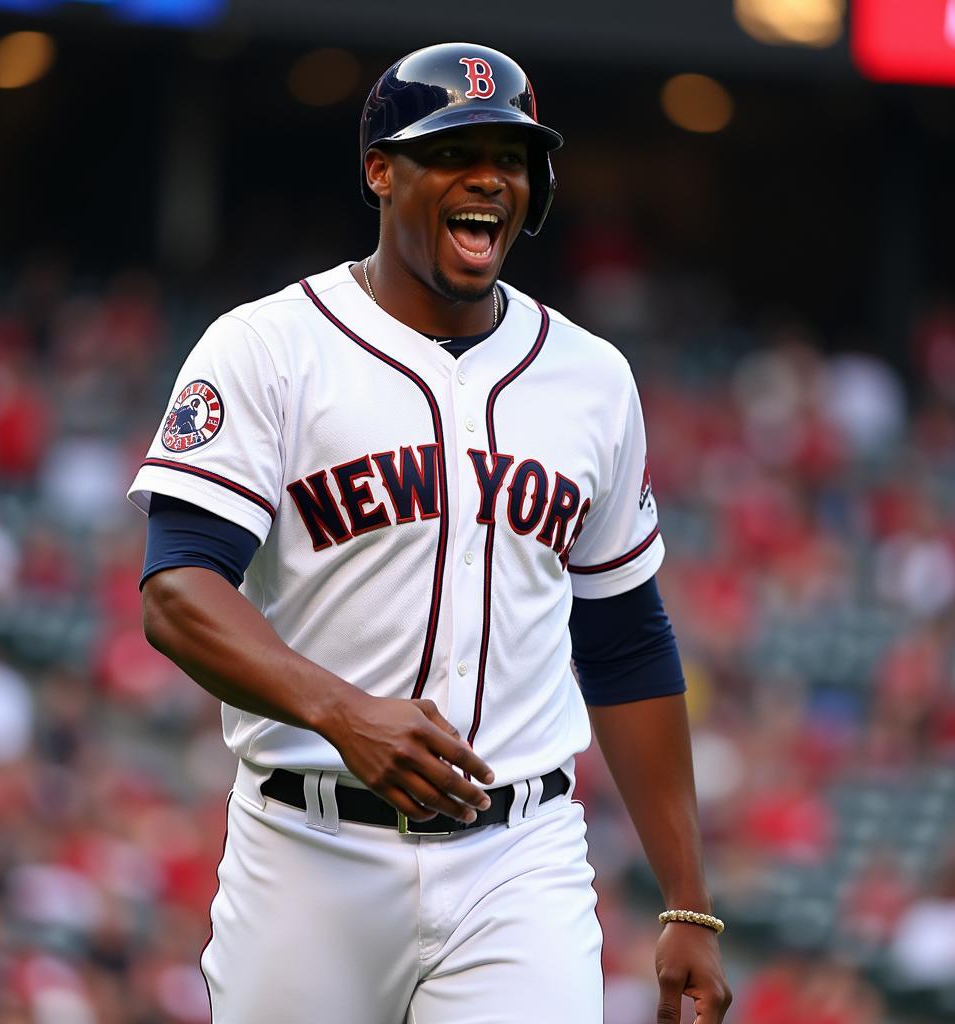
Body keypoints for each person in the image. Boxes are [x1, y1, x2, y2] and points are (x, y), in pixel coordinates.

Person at [129, 42, 731, 1024]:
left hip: (517, 858)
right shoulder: (267, 347)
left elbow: (624, 640)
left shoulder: (590, 378)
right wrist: (341, 711)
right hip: (309, 847)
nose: (488, 176)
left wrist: (688, 901)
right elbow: (177, 590)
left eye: (511, 155)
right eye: (455, 151)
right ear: (381, 171)